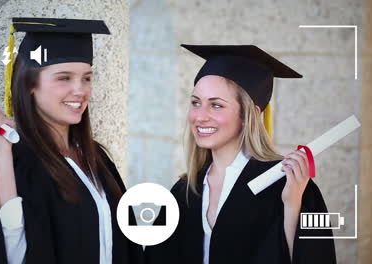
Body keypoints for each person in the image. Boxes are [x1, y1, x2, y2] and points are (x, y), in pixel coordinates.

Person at [0, 17, 143, 264]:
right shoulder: (16, 165)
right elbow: (7, 252)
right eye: (64, 78)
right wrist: (3, 155)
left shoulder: (96, 159)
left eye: (86, 78)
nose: (80, 90)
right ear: (29, 85)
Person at [144, 45, 336, 264]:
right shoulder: (185, 192)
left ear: (249, 114)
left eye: (216, 105)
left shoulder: (289, 185)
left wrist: (292, 205)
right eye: (196, 102)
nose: (200, 116)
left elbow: (316, 257)